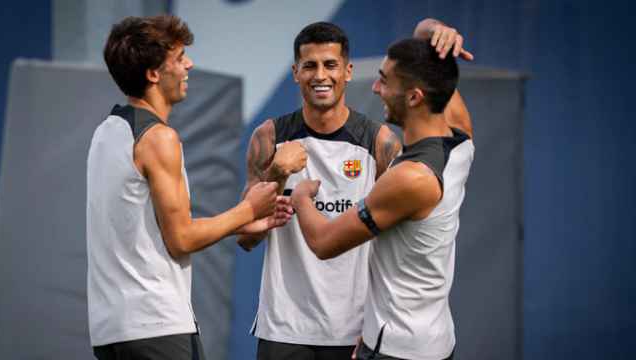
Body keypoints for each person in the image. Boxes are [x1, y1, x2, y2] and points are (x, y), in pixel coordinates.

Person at [86, 15, 290, 360]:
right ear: (153, 74)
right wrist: (249, 208)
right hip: (157, 329)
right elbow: (181, 239)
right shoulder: (159, 138)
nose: (189, 65)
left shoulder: (106, 131)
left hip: (112, 331)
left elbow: (148, 233)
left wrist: (238, 226)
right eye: (179, 58)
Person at [290, 19, 475, 360]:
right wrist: (431, 31)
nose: (375, 88)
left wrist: (301, 195)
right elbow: (424, 34)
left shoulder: (410, 179)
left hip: (397, 351)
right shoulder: (460, 141)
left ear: (415, 97)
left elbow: (324, 243)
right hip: (427, 341)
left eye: (385, 81)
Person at [237, 22, 401, 360]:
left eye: (330, 65)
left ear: (347, 71)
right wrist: (277, 173)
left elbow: (395, 244)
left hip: (354, 329)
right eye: (309, 65)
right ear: (296, 72)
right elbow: (246, 237)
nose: (320, 75)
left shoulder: (380, 142)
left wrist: (378, 323)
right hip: (284, 327)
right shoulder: (268, 137)